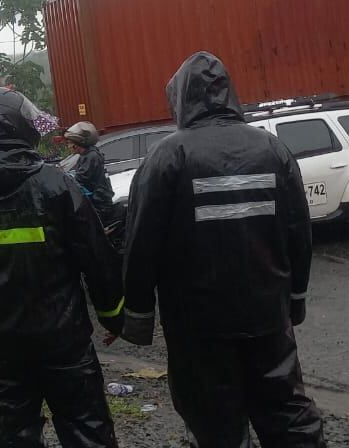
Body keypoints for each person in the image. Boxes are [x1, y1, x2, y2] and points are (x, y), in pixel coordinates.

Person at [119, 52, 324, 448]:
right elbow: (299, 231)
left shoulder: (167, 156)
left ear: (180, 99)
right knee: (285, 409)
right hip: (267, 314)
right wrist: (295, 298)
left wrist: (138, 316)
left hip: (197, 324)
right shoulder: (273, 150)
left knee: (215, 421)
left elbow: (141, 242)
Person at [0, 87, 124, 448]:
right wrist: (112, 315)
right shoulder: (56, 184)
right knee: (86, 429)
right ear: (18, 128)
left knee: (13, 435)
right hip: (63, 341)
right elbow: (98, 258)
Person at [63, 122, 121, 244]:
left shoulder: (91, 156)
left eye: (69, 143)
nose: (68, 146)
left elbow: (81, 178)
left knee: (94, 235)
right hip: (95, 200)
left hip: (98, 202)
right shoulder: (87, 155)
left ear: (78, 142)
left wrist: (65, 178)